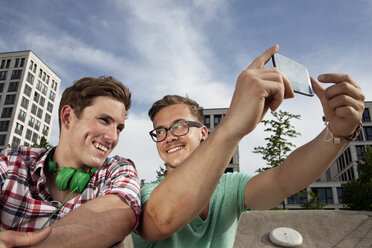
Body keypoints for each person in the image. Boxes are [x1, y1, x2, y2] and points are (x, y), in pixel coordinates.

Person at [132, 45, 365, 247]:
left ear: (203, 132)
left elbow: (284, 179)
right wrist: (233, 124)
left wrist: (337, 133)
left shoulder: (229, 188)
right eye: (160, 131)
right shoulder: (146, 194)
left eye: (179, 126)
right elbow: (162, 220)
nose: (169, 137)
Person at [0, 76, 141, 247]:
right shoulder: (12, 162)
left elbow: (121, 214)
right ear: (67, 117)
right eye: (104, 120)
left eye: (118, 128)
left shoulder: (118, 169)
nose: (113, 137)